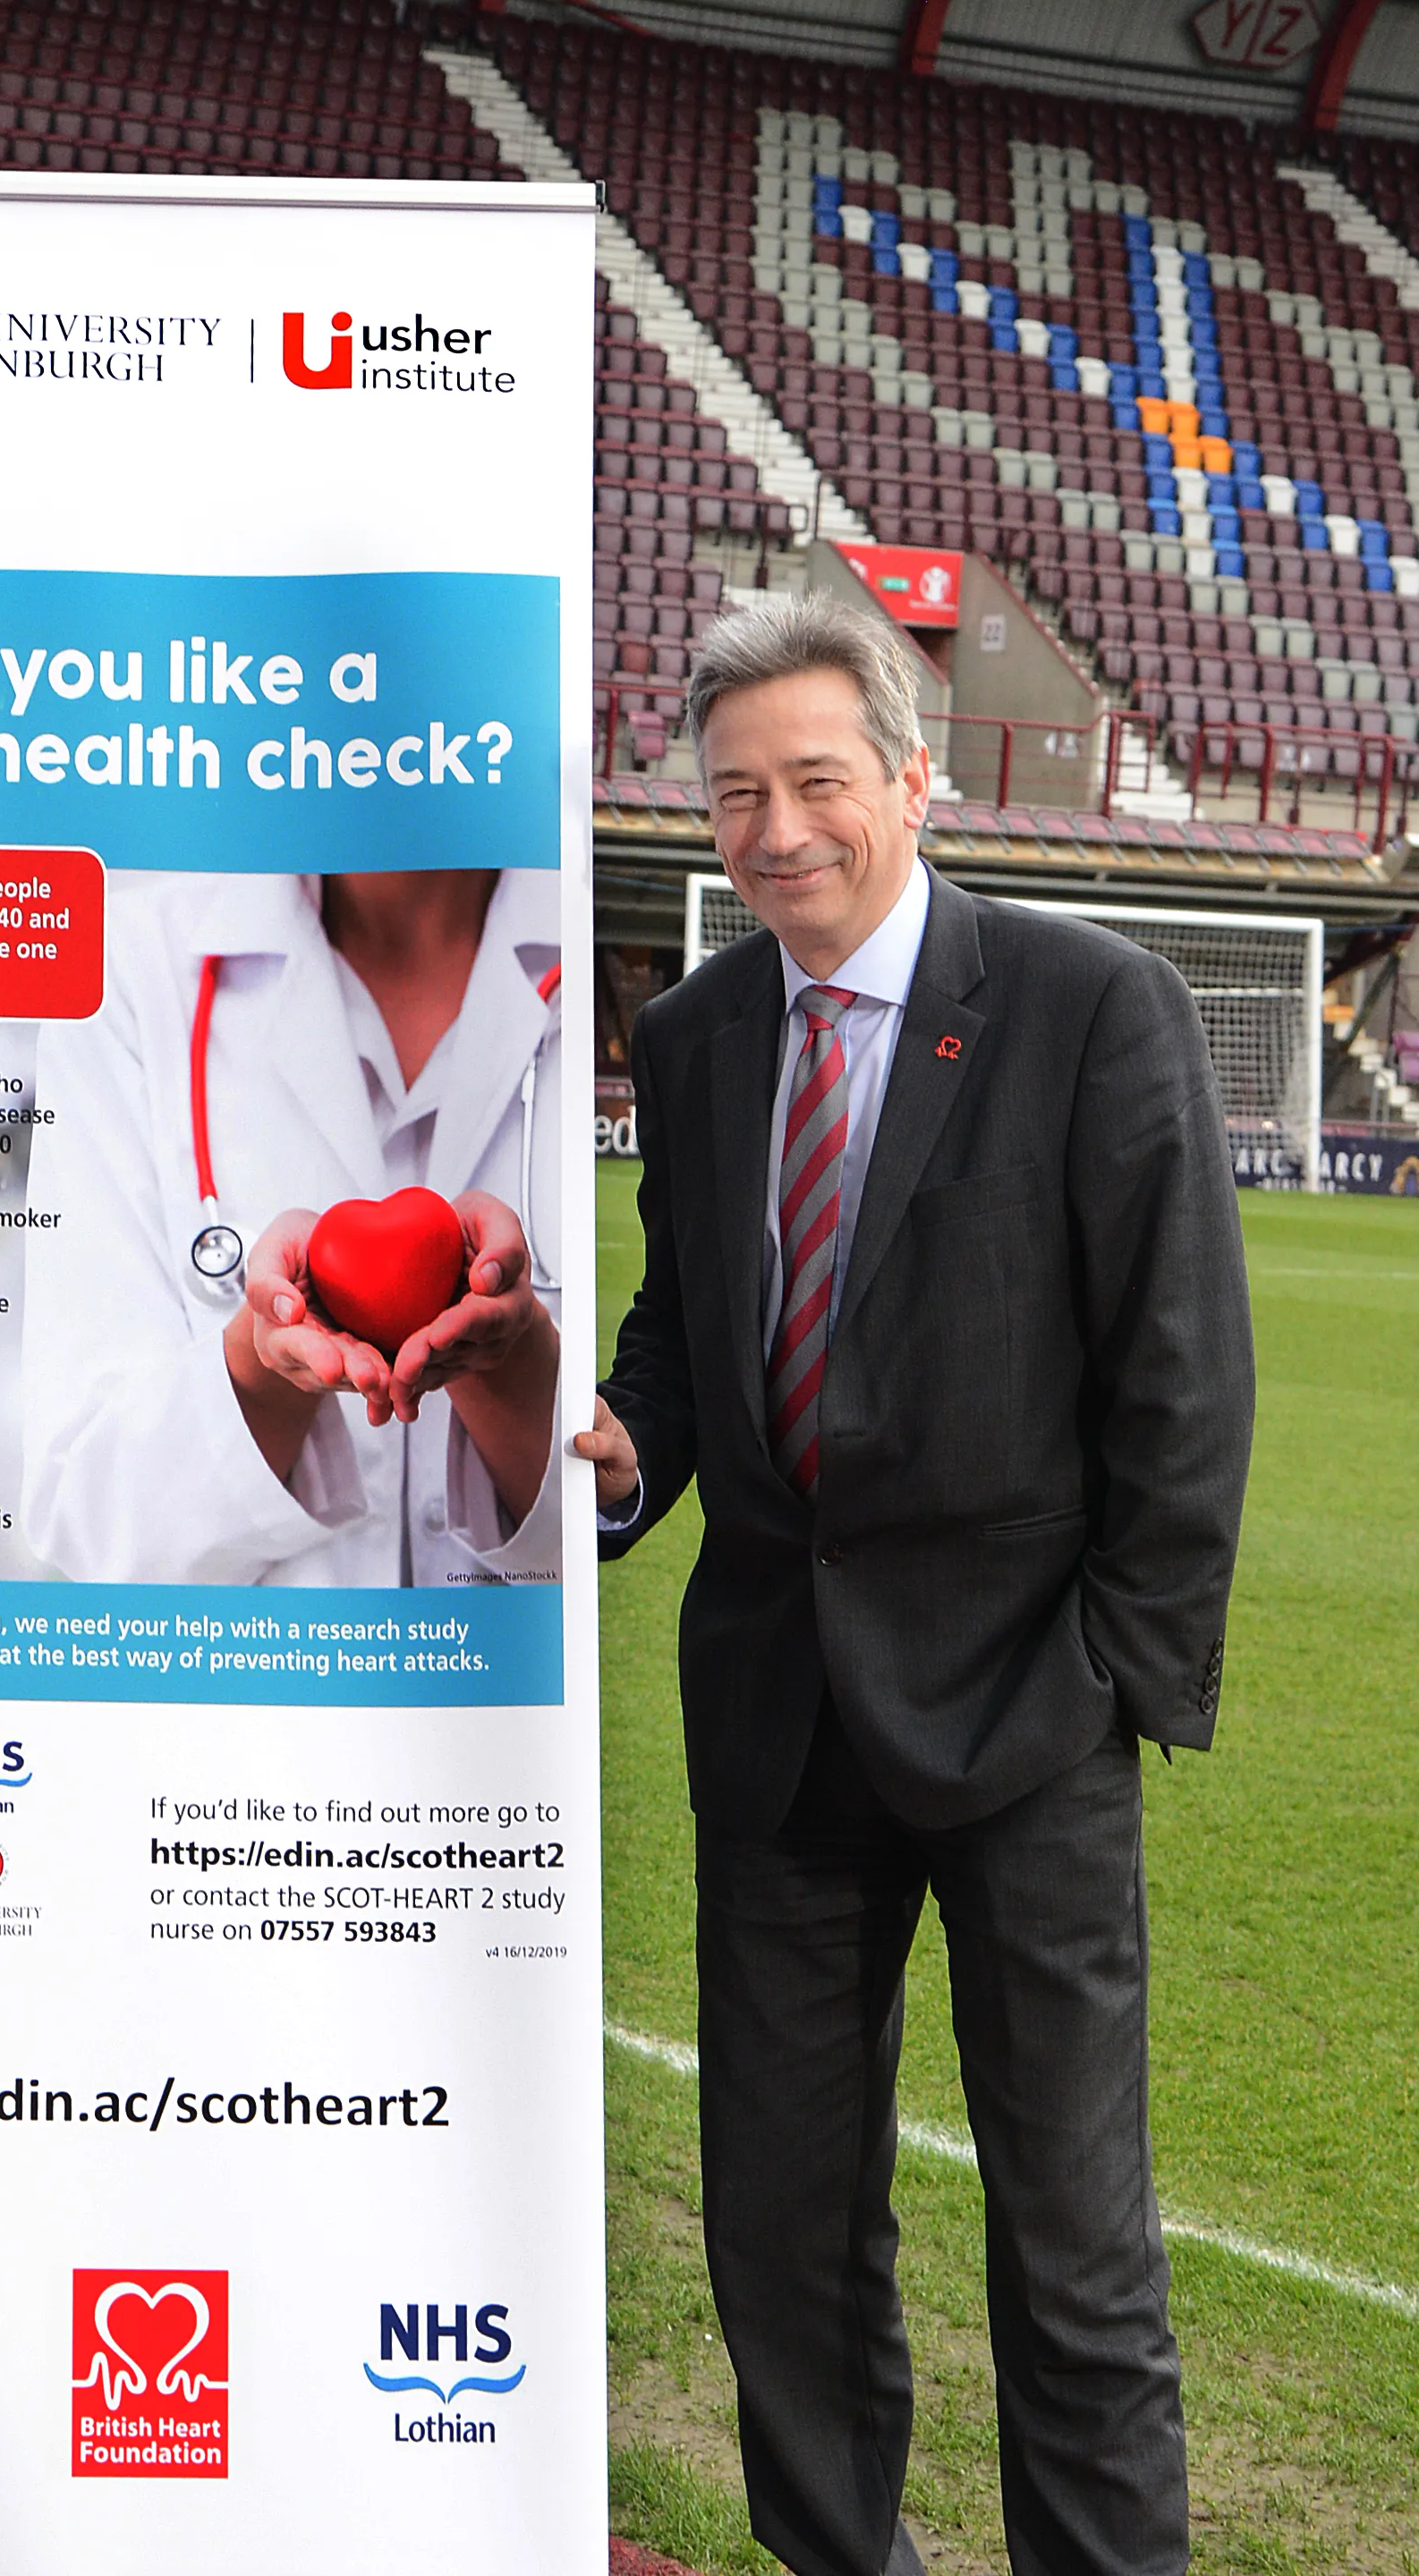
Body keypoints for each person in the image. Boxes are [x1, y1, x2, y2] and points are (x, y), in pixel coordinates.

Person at [575, 594, 1252, 2576]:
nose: (773, 828)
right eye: (733, 795)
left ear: (907, 777)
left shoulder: (1083, 998)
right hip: (778, 1726)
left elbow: (1180, 1371)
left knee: (1071, 2242)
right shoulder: (695, 1033)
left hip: (1026, 1716)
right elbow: (686, 1340)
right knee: (781, 2234)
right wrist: (621, 1451)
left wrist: (1111, 1675)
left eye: (813, 781)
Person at [23, 866, 562, 1585]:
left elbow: (618, 1506)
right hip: (261, 1682)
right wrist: (260, 1365)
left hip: (506, 1685)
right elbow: (89, 1517)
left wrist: (513, 1363)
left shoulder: (583, 933)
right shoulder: (128, 962)